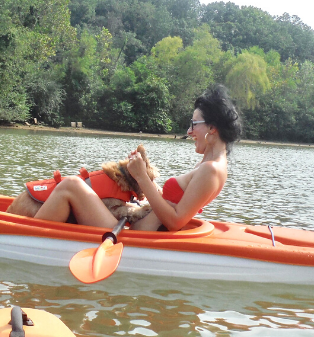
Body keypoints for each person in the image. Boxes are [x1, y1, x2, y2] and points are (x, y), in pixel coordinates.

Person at [34, 83, 242, 231]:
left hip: (136, 232)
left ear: (212, 129)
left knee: (71, 185)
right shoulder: (211, 164)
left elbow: (175, 221)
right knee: (78, 188)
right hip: (139, 225)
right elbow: (176, 204)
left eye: (194, 124)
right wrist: (145, 185)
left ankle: (27, 235)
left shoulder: (212, 169)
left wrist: (142, 177)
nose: (189, 131)